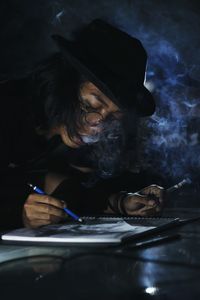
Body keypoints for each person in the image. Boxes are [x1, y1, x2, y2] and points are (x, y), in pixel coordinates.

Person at [0, 19, 164, 229]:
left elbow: (67, 187)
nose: (97, 125)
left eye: (114, 117)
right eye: (92, 104)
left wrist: (120, 202)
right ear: (65, 82)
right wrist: (17, 215)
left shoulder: (61, 136)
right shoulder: (7, 108)